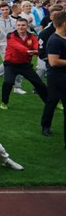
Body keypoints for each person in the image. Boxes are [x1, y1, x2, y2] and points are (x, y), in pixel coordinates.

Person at [0, 18, 48, 109]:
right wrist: (28, 51)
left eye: (23, 25)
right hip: (11, 64)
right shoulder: (10, 35)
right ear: (16, 26)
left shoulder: (32, 36)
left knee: (39, 84)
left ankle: (49, 102)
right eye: (19, 25)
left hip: (25, 65)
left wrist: (37, 51)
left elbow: (36, 45)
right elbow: (16, 45)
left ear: (27, 26)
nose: (21, 27)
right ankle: (4, 102)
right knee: (8, 82)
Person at [41, 10, 66, 144]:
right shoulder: (54, 40)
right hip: (57, 77)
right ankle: (45, 125)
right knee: (52, 101)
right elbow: (53, 61)